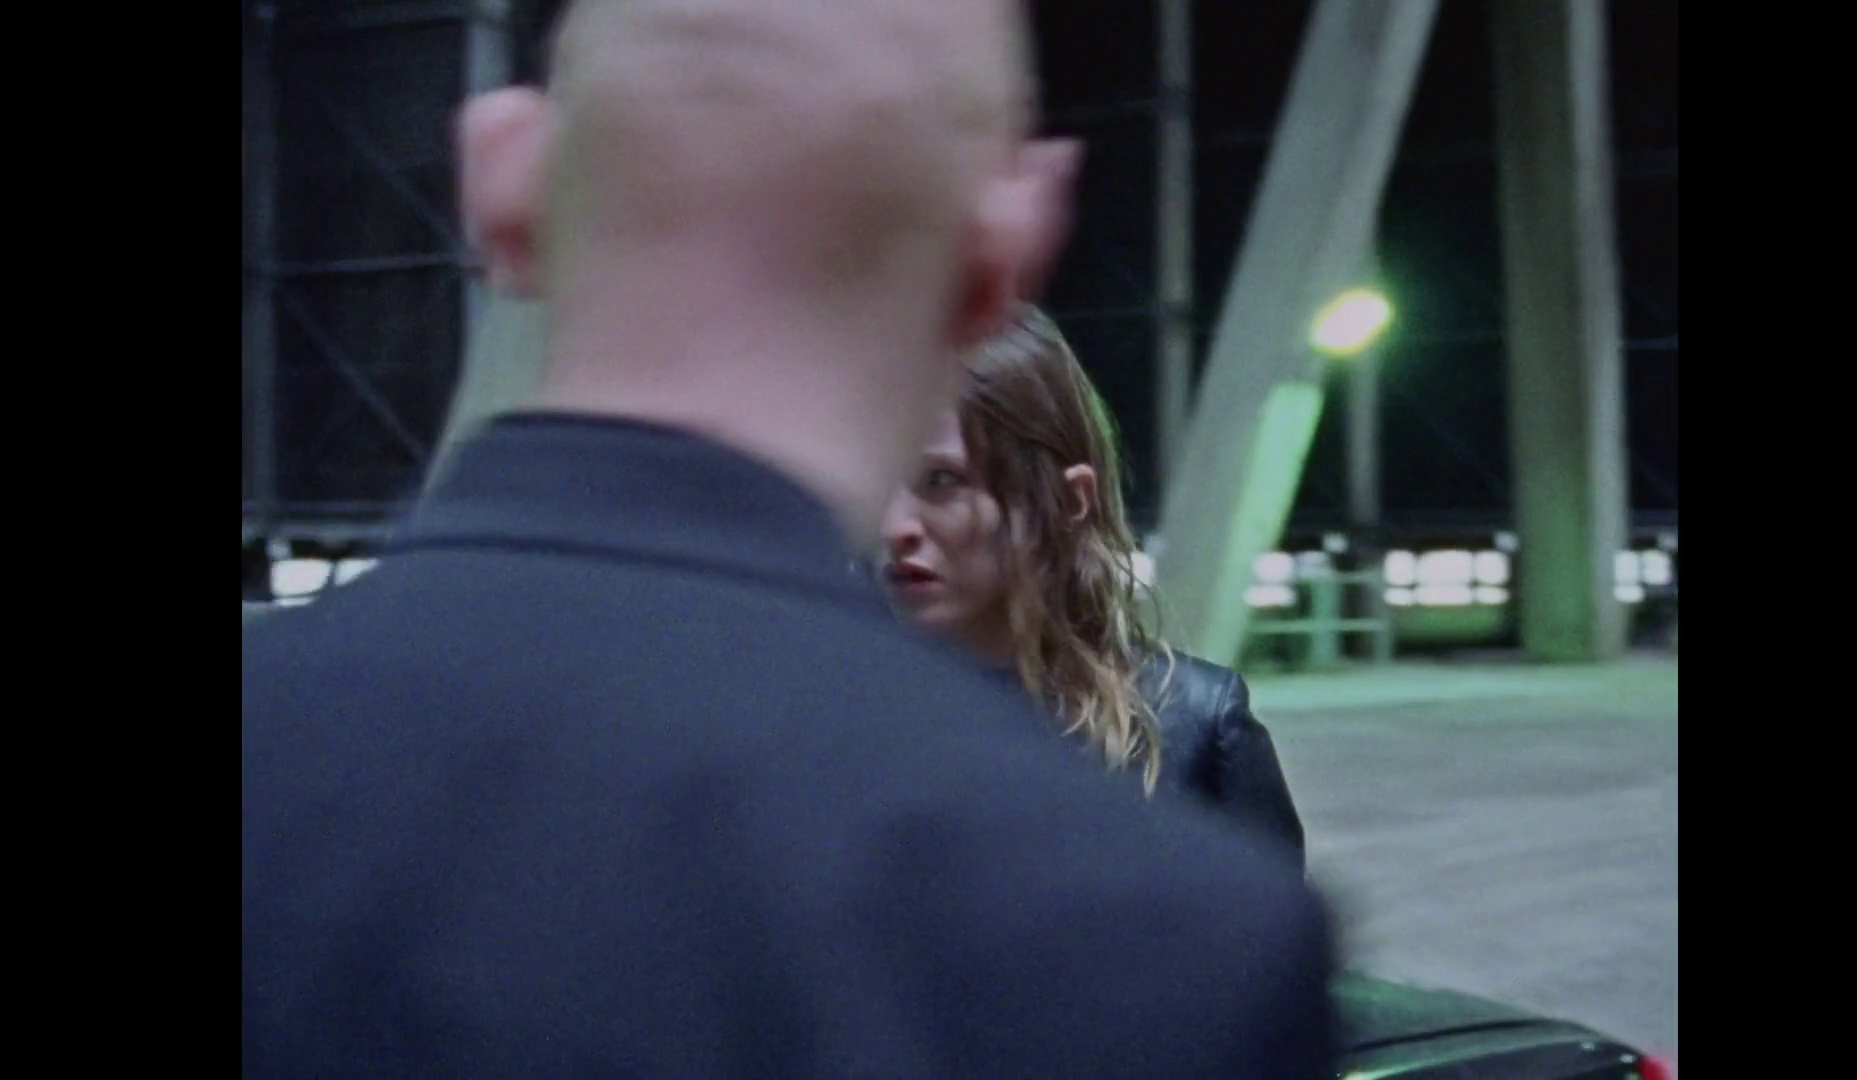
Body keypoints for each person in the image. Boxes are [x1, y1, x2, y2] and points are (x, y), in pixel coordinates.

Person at [242, 0, 1338, 1076]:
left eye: (947, 485)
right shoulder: (1194, 935)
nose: (908, 528)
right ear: (1003, 246)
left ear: (500, 174)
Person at [878, 305, 1308, 866]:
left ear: (1068, 499)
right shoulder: (824, 720)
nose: (892, 526)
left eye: (942, 480)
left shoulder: (1194, 729)